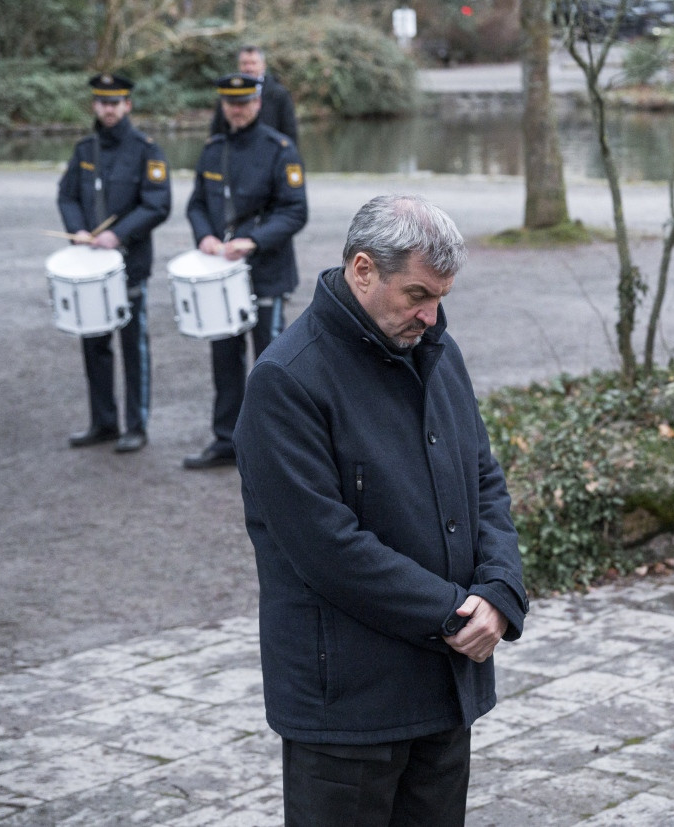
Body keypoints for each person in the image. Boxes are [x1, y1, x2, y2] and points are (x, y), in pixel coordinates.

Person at [233, 194, 528, 825]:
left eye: (442, 295)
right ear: (362, 269)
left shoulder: (435, 350)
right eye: (417, 293)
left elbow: (483, 482)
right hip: (347, 709)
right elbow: (326, 548)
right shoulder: (286, 380)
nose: (432, 313)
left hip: (443, 689)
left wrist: (501, 591)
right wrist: (453, 612)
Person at [183, 72, 308, 469]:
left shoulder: (279, 149)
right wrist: (204, 235)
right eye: (230, 103)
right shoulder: (213, 150)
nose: (237, 110)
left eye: (244, 102)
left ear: (256, 102)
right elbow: (197, 204)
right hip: (221, 274)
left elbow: (295, 211)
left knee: (271, 366)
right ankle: (226, 441)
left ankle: (273, 447)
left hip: (265, 273)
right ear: (223, 105)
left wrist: (253, 241)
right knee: (224, 361)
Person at [57, 73, 172, 453]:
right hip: (90, 265)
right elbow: (67, 196)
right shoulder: (85, 149)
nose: (108, 108)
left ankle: (135, 426)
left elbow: (157, 204)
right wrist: (77, 229)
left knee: (133, 346)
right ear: (95, 104)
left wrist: (117, 234)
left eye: (115, 101)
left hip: (129, 264)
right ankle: (103, 422)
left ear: (127, 105)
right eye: (102, 101)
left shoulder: (146, 149)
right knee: (94, 344)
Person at [210, 45, 299, 144]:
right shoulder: (228, 94)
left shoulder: (279, 93)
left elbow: (290, 131)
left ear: (263, 65)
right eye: (244, 63)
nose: (249, 68)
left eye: (253, 63)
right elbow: (216, 131)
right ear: (239, 66)